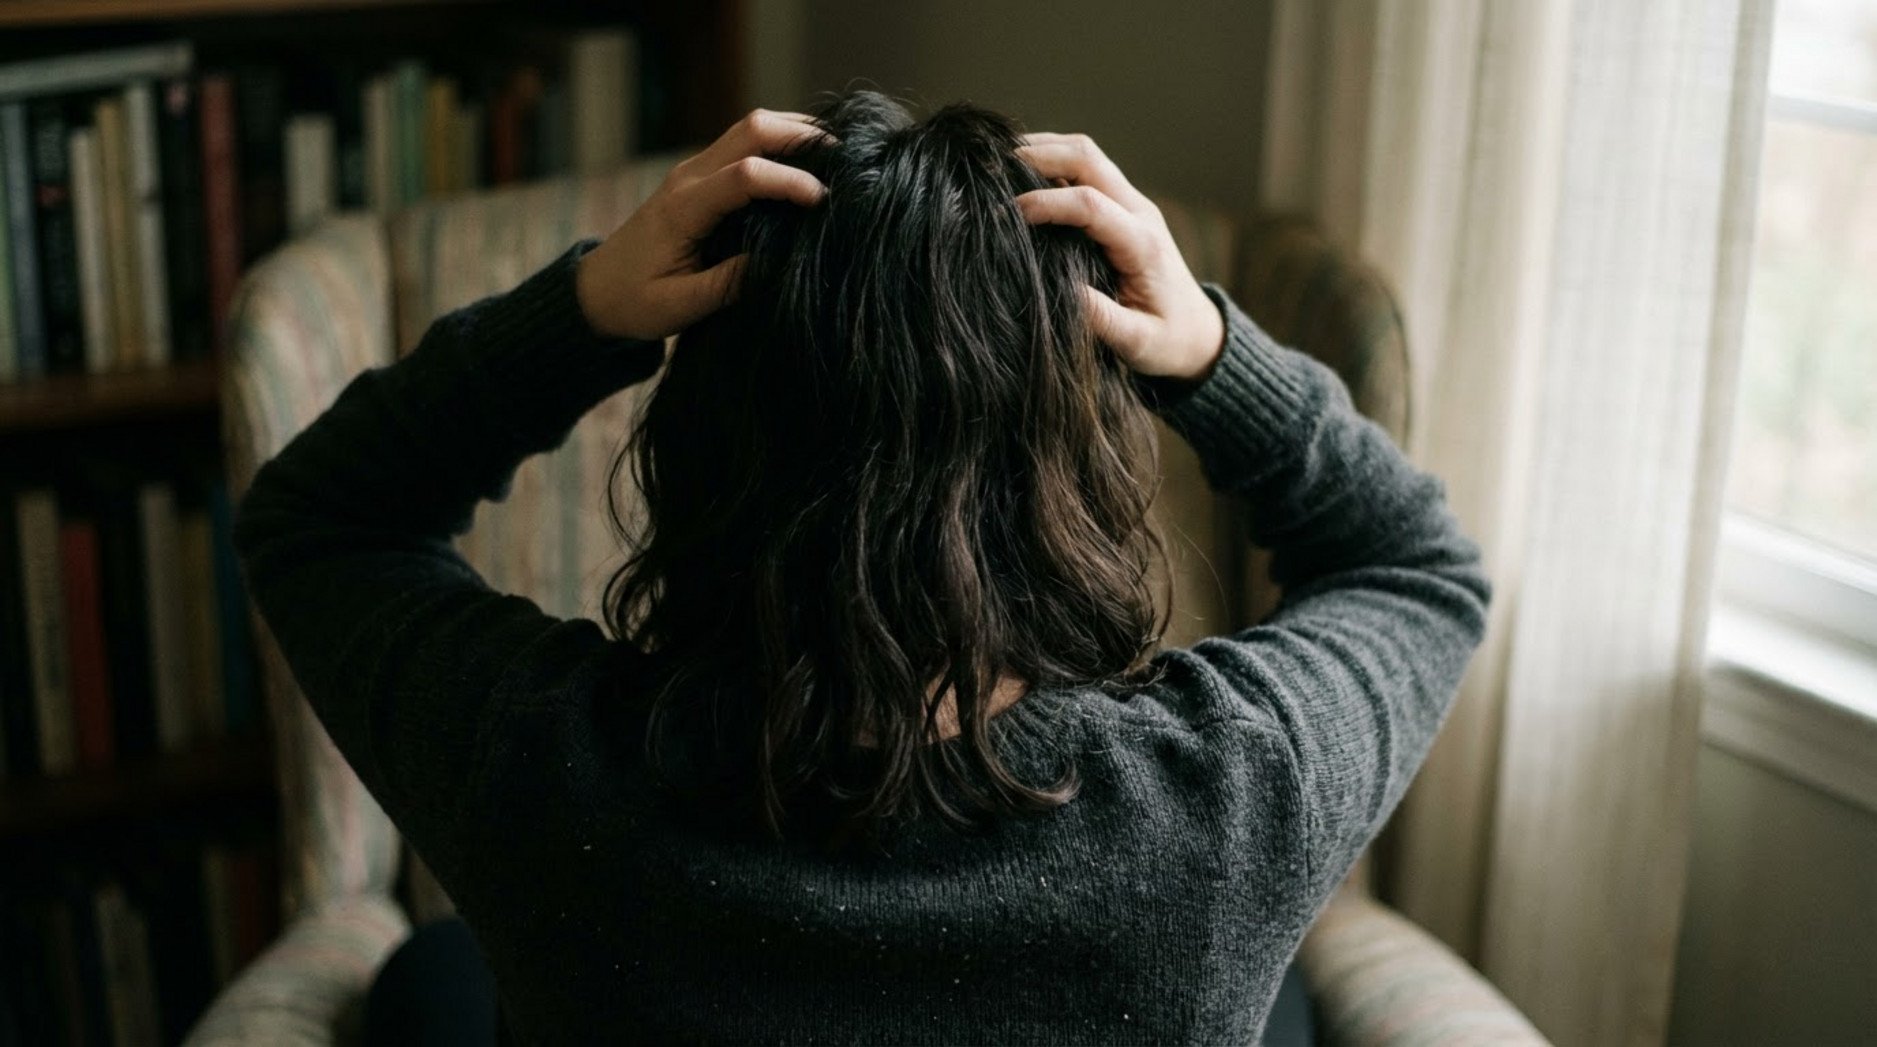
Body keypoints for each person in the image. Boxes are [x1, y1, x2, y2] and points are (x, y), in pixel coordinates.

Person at [235, 91, 1490, 1045]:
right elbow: (1415, 564)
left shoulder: (545, 776)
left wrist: (584, 311)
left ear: (704, 443)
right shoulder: (1233, 800)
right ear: (1071, 458)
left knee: (434, 973)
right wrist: (1211, 352)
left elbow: (320, 516)